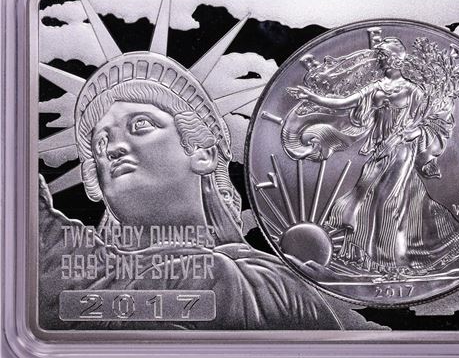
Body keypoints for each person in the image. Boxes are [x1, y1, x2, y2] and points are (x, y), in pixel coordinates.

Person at [39, 33, 381, 330]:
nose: (112, 148)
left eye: (140, 124)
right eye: (100, 144)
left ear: (202, 153)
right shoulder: (93, 277)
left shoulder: (267, 284)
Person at [285, 36, 459, 277]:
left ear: (396, 60)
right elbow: (342, 103)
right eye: (381, 57)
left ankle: (392, 264)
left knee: (388, 202)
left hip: (401, 150)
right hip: (380, 150)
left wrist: (414, 132)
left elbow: (429, 121)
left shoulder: (413, 91)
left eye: (384, 57)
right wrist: (311, 97)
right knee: (377, 200)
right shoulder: (376, 87)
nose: (381, 61)